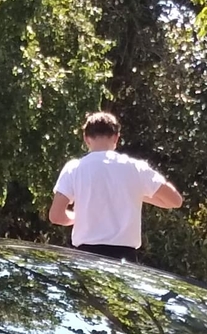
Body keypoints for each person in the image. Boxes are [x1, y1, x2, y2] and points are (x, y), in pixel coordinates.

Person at [49, 112, 181, 261]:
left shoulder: (74, 169)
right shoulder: (136, 168)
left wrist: (76, 217)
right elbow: (175, 201)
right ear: (116, 138)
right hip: (124, 258)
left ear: (86, 139)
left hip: (85, 257)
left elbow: (56, 216)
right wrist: (133, 193)